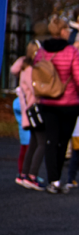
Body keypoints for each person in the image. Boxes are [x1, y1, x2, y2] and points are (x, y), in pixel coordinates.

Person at [34, 16, 79, 194]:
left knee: (51, 140)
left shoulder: (42, 52)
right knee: (63, 141)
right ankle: (57, 178)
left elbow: (37, 72)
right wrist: (78, 94)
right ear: (63, 31)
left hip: (47, 101)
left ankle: (53, 180)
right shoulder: (71, 52)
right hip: (68, 102)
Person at [16, 41, 46, 191]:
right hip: (34, 109)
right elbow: (35, 89)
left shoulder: (24, 68)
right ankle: (31, 175)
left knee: (34, 143)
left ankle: (24, 173)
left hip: (30, 109)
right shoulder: (30, 70)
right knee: (42, 143)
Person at [10, 58, 30, 186]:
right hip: (26, 129)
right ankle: (23, 174)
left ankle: (25, 173)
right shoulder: (20, 99)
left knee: (26, 151)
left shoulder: (19, 99)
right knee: (26, 151)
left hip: (25, 129)